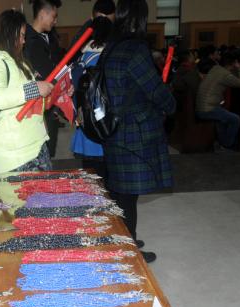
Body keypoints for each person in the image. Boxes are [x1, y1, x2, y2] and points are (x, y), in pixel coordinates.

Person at [100, 0, 176, 263]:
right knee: (127, 195)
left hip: (113, 128)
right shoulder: (135, 49)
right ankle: (128, 251)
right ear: (140, 19)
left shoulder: (112, 46)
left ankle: (126, 237)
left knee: (121, 192)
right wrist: (171, 103)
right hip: (133, 133)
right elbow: (154, 89)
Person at [0, 9, 53, 173]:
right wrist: (35, 88)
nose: (23, 41)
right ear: (10, 34)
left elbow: (27, 99)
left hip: (35, 144)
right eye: (21, 35)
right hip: (16, 153)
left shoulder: (19, 62)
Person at [70, 6, 116, 178]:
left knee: (91, 176)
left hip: (87, 123)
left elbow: (73, 89)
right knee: (110, 176)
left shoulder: (82, 58)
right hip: (108, 122)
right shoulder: (113, 57)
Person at [24, 0, 64, 158]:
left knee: (49, 153)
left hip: (51, 104)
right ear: (42, 14)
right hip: (36, 106)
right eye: (54, 16)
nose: (56, 21)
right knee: (39, 155)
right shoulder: (27, 40)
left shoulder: (50, 38)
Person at [196, 50, 240, 150]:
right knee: (236, 119)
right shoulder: (225, 74)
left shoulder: (215, 68)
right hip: (208, 109)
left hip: (202, 107)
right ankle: (227, 145)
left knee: (222, 119)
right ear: (233, 63)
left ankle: (223, 143)